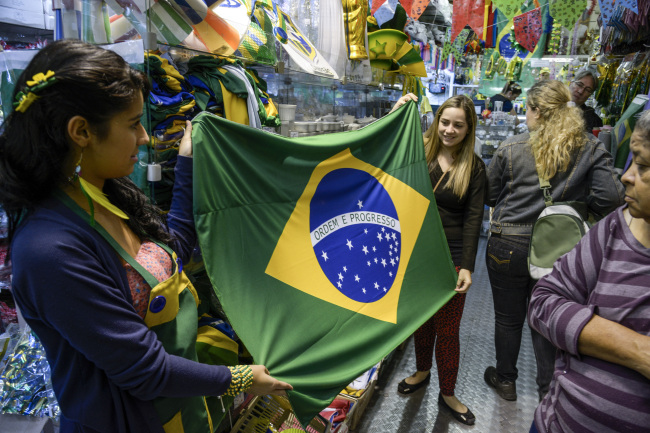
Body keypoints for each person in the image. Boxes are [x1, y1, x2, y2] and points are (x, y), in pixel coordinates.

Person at [0, 40, 291, 433]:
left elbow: (174, 251)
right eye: (132, 122)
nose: (146, 136)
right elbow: (146, 371)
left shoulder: (104, 194)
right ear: (81, 131)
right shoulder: (49, 250)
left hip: (172, 413)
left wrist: (186, 163)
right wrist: (238, 378)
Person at [483, 79, 624, 403]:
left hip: (508, 244)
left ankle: (505, 380)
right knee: (544, 315)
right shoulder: (588, 147)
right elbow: (613, 198)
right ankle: (548, 388)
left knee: (508, 318)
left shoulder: (511, 147)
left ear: (534, 110)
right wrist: (577, 207)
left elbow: (491, 195)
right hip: (558, 248)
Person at [527, 110, 650, 433]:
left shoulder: (520, 146)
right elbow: (544, 301)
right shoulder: (614, 228)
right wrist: (637, 350)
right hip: (556, 420)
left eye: (644, 165)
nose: (628, 175)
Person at [391, 94, 486, 426]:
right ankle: (421, 371)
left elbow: (474, 220)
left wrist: (468, 266)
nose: (449, 130)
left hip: (452, 257)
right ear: (437, 121)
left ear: (468, 128)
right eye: (444, 122)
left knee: (447, 330)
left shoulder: (474, 167)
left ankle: (448, 393)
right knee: (421, 322)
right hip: (417, 253)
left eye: (458, 125)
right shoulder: (419, 151)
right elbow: (386, 153)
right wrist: (396, 113)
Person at [569, 68, 602, 133]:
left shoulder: (593, 119)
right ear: (571, 83)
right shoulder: (553, 107)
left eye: (587, 90)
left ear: (590, 95)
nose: (581, 91)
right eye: (579, 85)